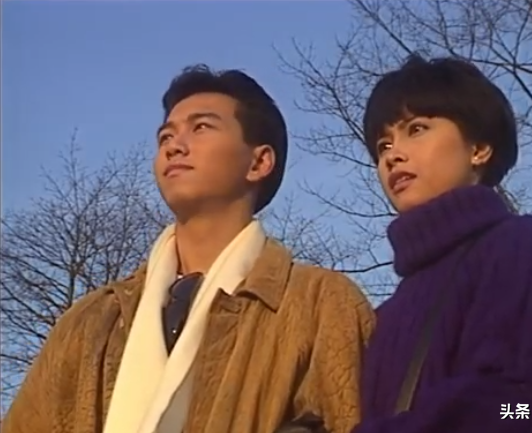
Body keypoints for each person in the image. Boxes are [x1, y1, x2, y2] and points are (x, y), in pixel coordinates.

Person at [3, 65, 375, 433]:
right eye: (165, 136)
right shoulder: (90, 320)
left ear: (259, 162)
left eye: (201, 128)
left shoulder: (320, 304)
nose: (174, 146)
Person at [352, 54, 532, 433]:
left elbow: (520, 406)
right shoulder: (386, 315)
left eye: (417, 129)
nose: (393, 155)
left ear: (479, 149)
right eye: (383, 145)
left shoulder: (524, 245)